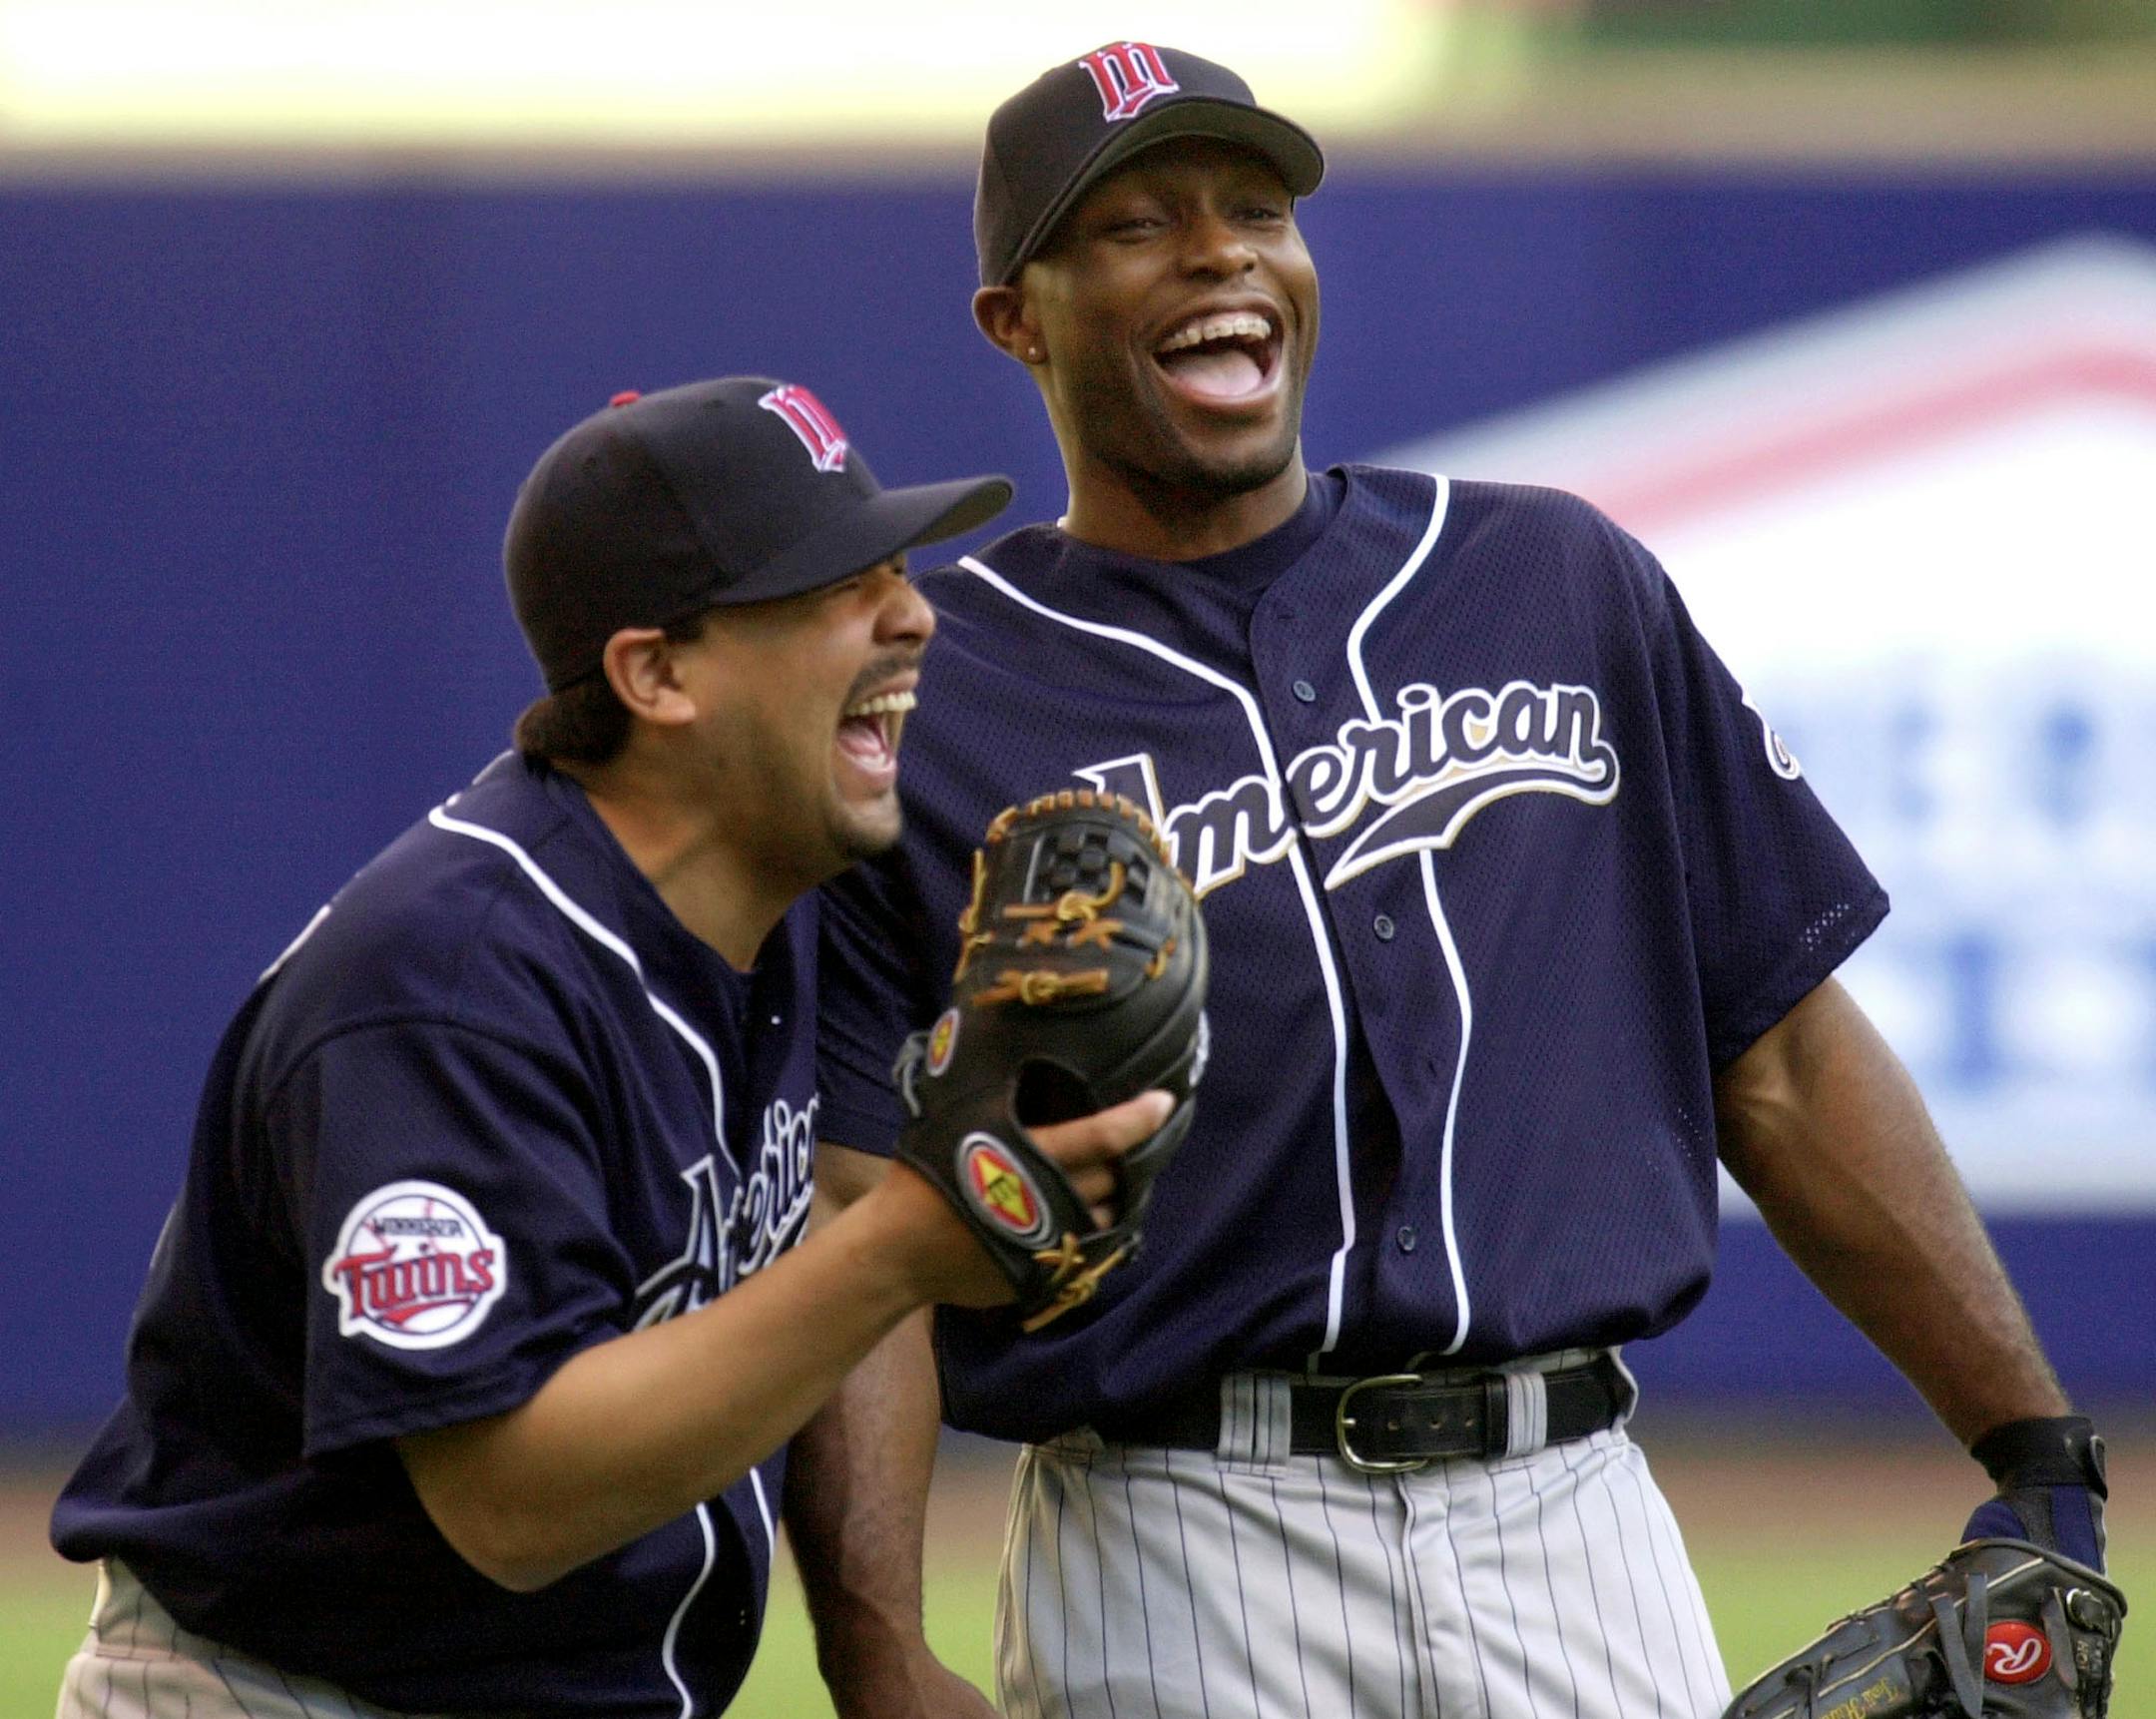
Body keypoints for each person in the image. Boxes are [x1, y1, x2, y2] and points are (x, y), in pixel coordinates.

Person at [807, 45, 2113, 1719]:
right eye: (1136, 226)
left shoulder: (1551, 582)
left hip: (1572, 1514)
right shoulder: (937, 695)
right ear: (1021, 318)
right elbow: (865, 1220)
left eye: (1258, 211)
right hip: (1176, 1531)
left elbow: (1779, 1053)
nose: (1219, 255)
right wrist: (872, 1649)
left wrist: (2034, 1440)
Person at [48, 374, 1171, 1719]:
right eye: (836, 582)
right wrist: (899, 1251)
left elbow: (833, 1225)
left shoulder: (778, 893)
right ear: (656, 672)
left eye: (900, 569)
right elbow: (510, 1502)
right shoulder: (448, 989)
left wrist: (877, 1647)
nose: (913, 613)